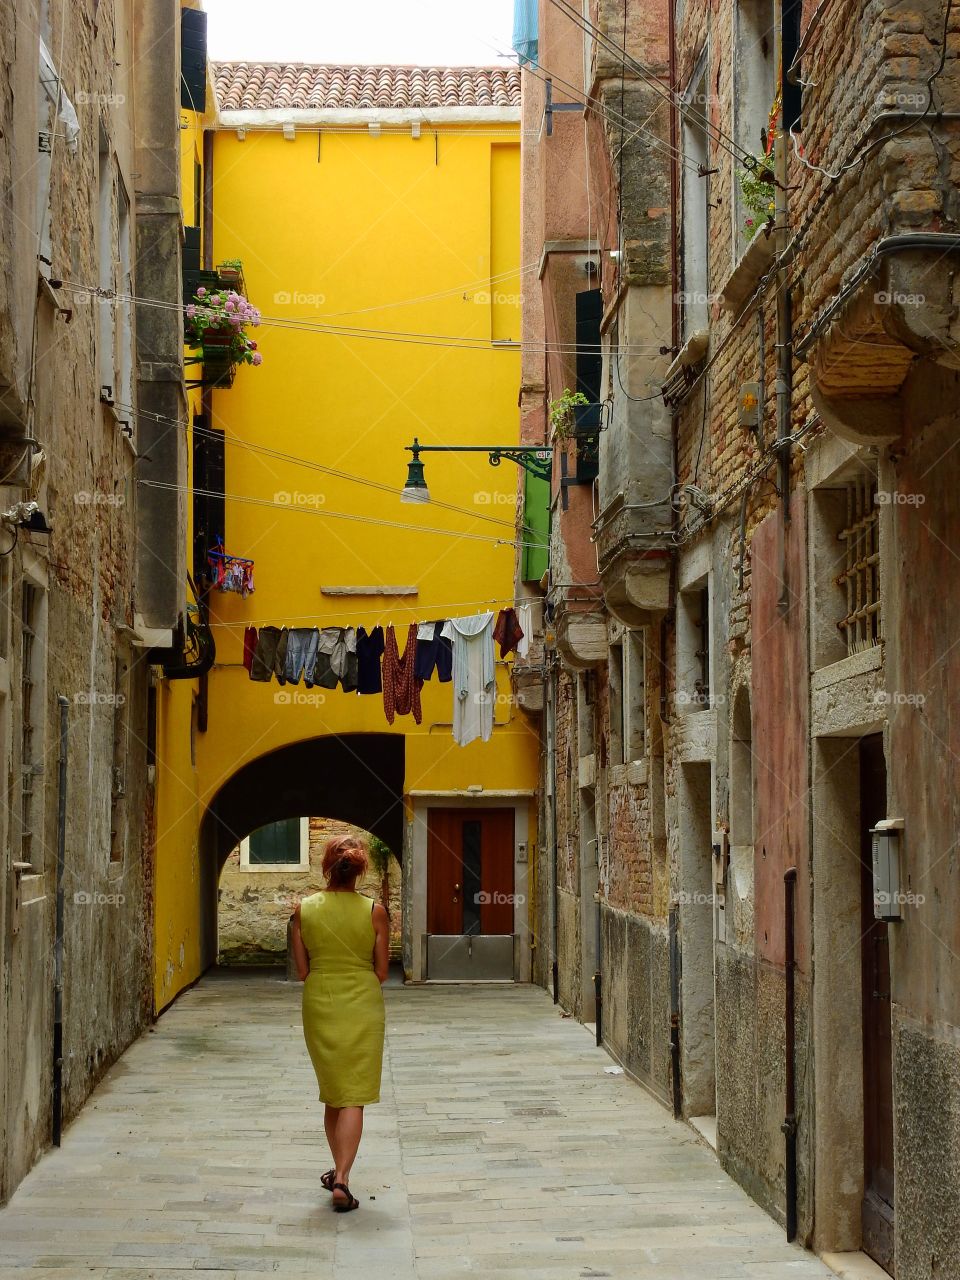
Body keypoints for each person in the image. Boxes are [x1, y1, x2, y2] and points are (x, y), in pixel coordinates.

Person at [291, 835, 390, 1212]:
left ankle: (338, 1172)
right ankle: (343, 1178)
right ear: (359, 871)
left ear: (326, 868)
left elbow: (303, 970)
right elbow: (382, 971)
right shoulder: (374, 911)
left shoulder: (304, 910)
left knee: (334, 1091)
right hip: (363, 1003)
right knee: (354, 1094)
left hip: (320, 1001)